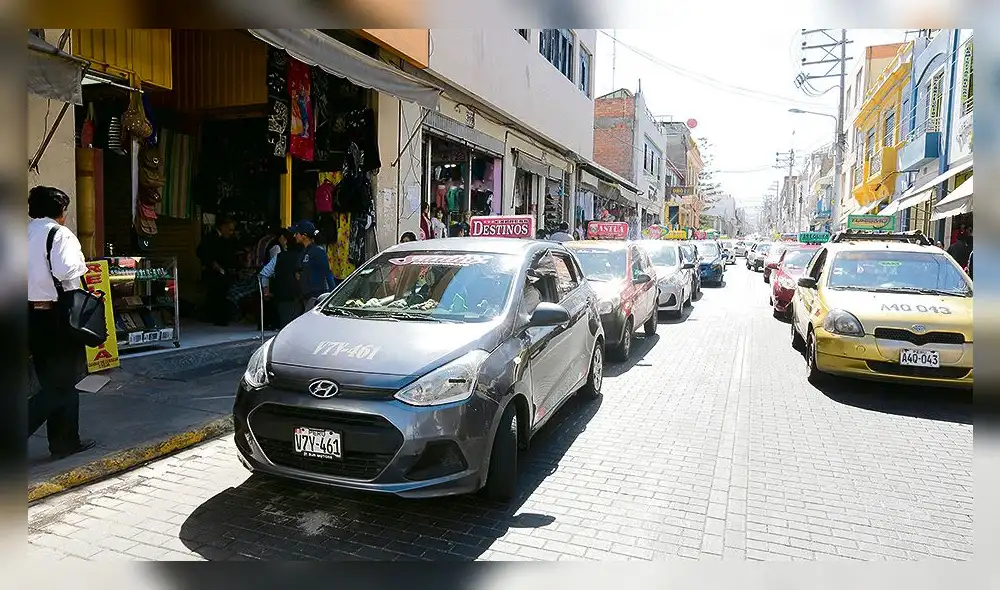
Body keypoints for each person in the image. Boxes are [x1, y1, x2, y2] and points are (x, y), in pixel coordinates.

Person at [27, 186, 96, 459]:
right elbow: (67, 270)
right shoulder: (59, 234)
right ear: (60, 211)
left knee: (59, 383)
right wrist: (82, 263)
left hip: (31, 316)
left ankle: (65, 442)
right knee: (59, 386)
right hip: (59, 316)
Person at [197, 216, 238, 326]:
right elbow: (202, 252)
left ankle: (221, 318)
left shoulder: (226, 239)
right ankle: (218, 318)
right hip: (213, 272)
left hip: (224, 271)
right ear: (223, 227)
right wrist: (213, 264)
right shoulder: (211, 237)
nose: (231, 232)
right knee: (217, 294)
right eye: (229, 229)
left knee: (223, 294)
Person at [260, 229, 305, 329]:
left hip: (282, 297)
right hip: (300, 297)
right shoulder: (306, 257)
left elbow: (264, 273)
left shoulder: (279, 256)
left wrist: (266, 290)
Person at [292, 220, 337, 309]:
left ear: (304, 235)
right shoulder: (303, 252)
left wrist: (333, 295)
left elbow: (327, 274)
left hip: (316, 297)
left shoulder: (318, 252)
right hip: (304, 296)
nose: (294, 236)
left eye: (296, 233)